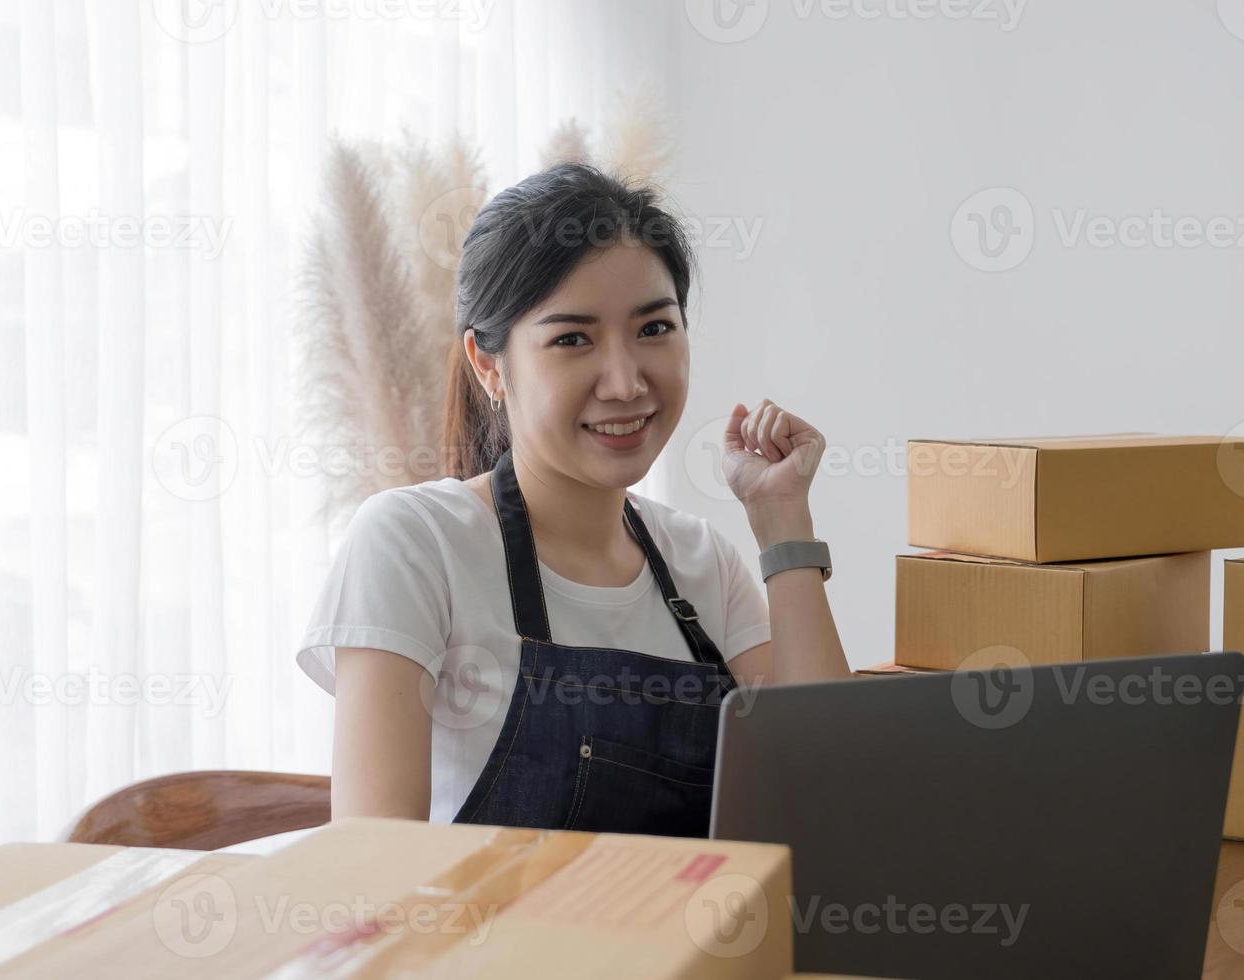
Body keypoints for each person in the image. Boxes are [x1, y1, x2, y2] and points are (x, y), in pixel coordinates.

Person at [297, 161, 850, 837]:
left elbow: (828, 803)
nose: (624, 382)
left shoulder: (704, 563)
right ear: (489, 366)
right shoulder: (415, 543)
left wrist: (781, 519)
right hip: (490, 943)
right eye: (572, 339)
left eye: (653, 329)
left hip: (696, 943)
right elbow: (374, 858)